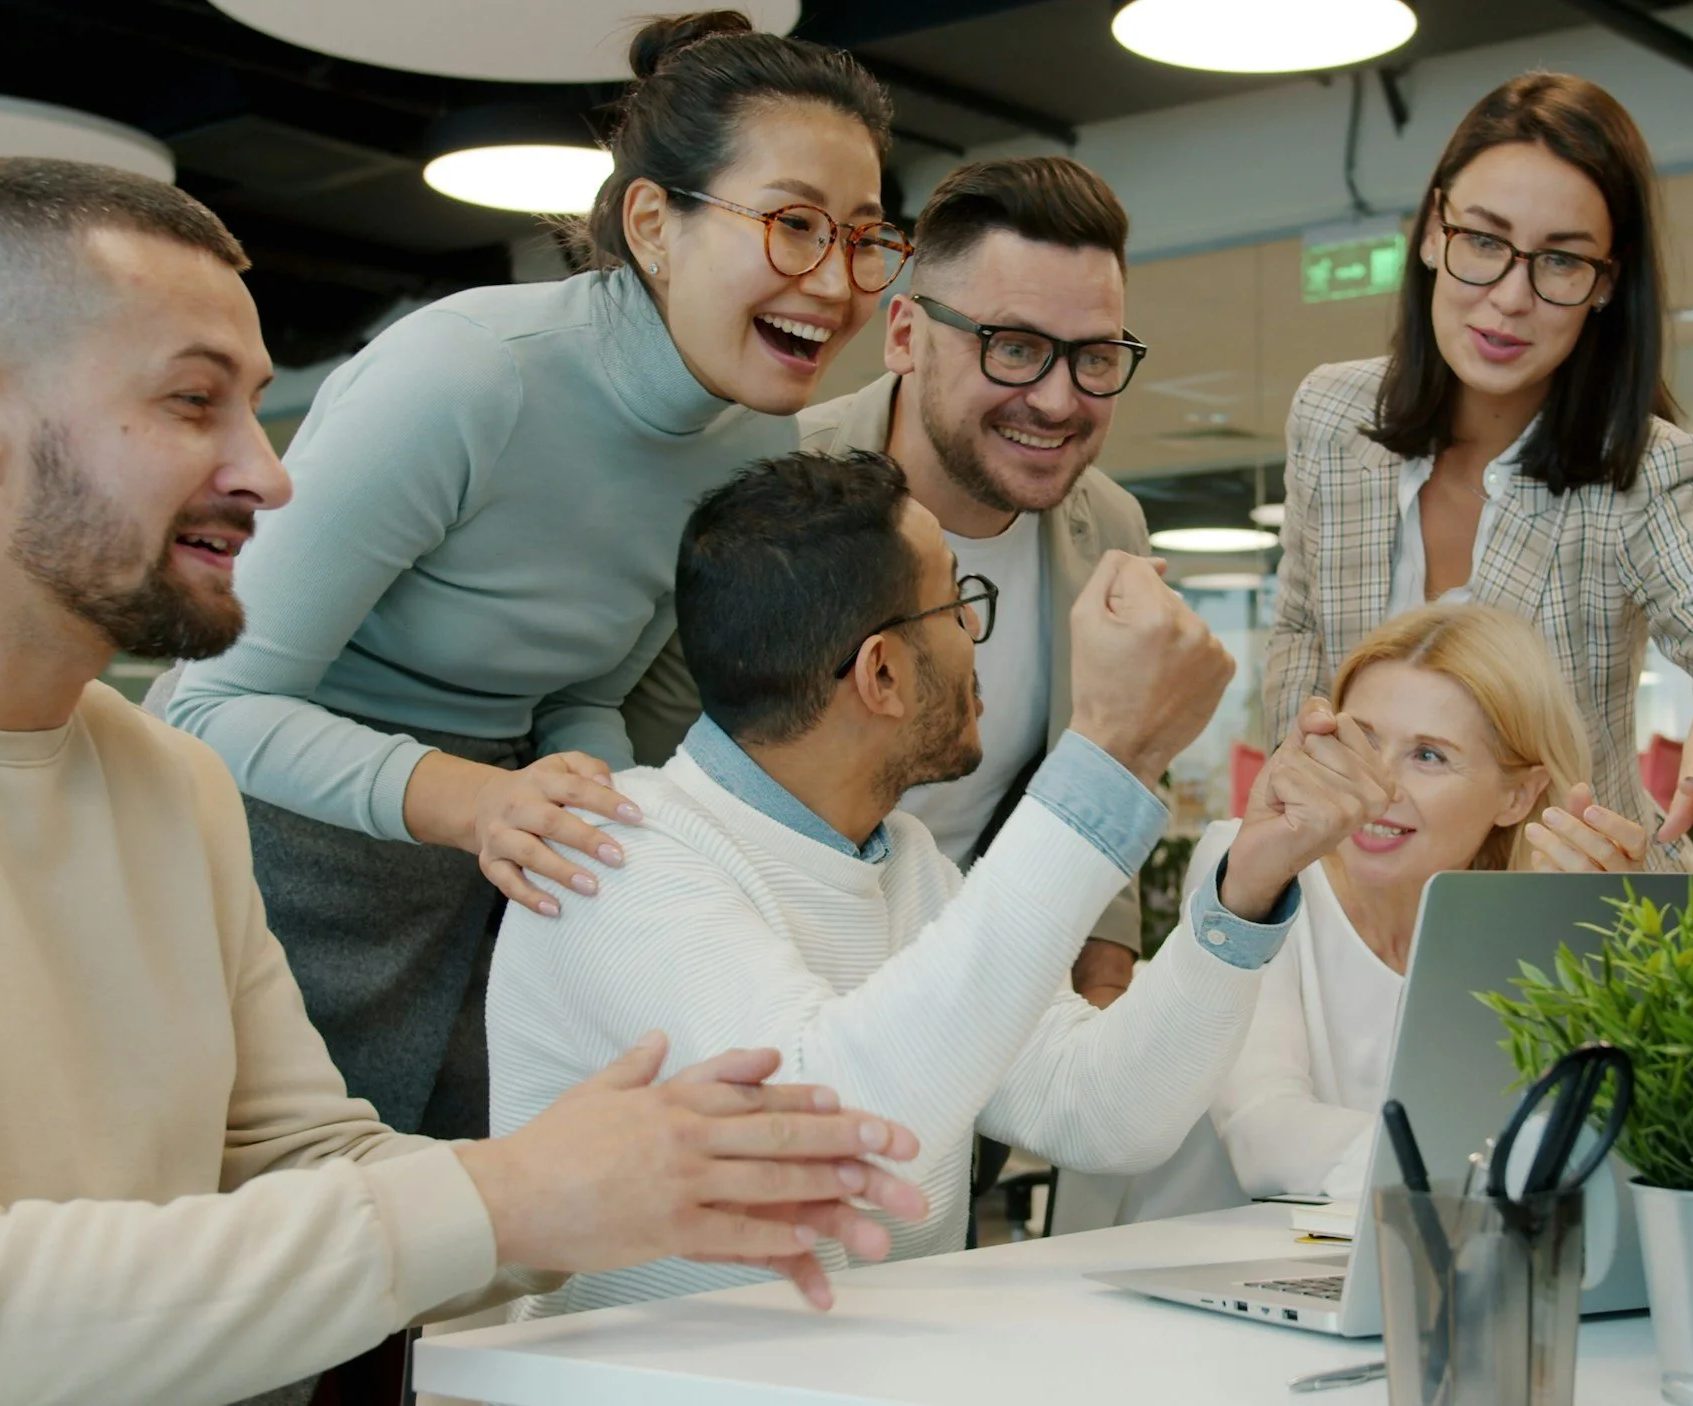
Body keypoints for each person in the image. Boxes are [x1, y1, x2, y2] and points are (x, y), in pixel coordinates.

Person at [0, 157, 927, 1406]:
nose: (267, 474)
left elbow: (302, 1158)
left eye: (254, 410)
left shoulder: (168, 777)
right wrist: (515, 1195)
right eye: (191, 401)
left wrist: (628, 1187)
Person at [162, 12, 905, 1138]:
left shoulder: (755, 444)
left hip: (494, 877)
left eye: (863, 237)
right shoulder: (470, 375)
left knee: (463, 1273)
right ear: (655, 222)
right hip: (279, 874)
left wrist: (618, 816)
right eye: (794, 224)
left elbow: (586, 694)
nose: (837, 279)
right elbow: (207, 703)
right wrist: (481, 799)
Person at [488, 449, 1395, 1314]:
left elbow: (1105, 1111)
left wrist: (1244, 888)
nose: (975, 637)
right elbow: (831, 1119)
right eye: (959, 605)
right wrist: (1107, 757)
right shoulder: (617, 856)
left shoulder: (905, 860)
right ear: (881, 672)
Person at [623, 154, 1154, 1006]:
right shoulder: (766, 484)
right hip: (737, 990)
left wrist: (1103, 963)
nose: (1058, 400)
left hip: (975, 1002)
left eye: (1094, 358)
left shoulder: (1111, 530)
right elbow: (647, 754)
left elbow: (1096, 758)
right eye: (1014, 348)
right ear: (904, 333)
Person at [1264, 70, 1693, 871]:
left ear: (1606, 284)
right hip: (1359, 902)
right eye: (1483, 241)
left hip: (1573, 929)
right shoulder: (1333, 417)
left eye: (1561, 261)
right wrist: (1305, 780)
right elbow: (1304, 626)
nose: (1511, 297)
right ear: (1432, 233)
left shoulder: (1636, 474)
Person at [1212, 603, 1666, 1200]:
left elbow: (1633, 1136)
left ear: (1519, 795)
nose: (1377, 786)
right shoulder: (1249, 861)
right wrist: (1498, 1171)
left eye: (1428, 755)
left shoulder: (1521, 925)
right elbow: (1264, 1136)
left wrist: (1622, 951)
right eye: (1362, 740)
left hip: (1411, 1273)